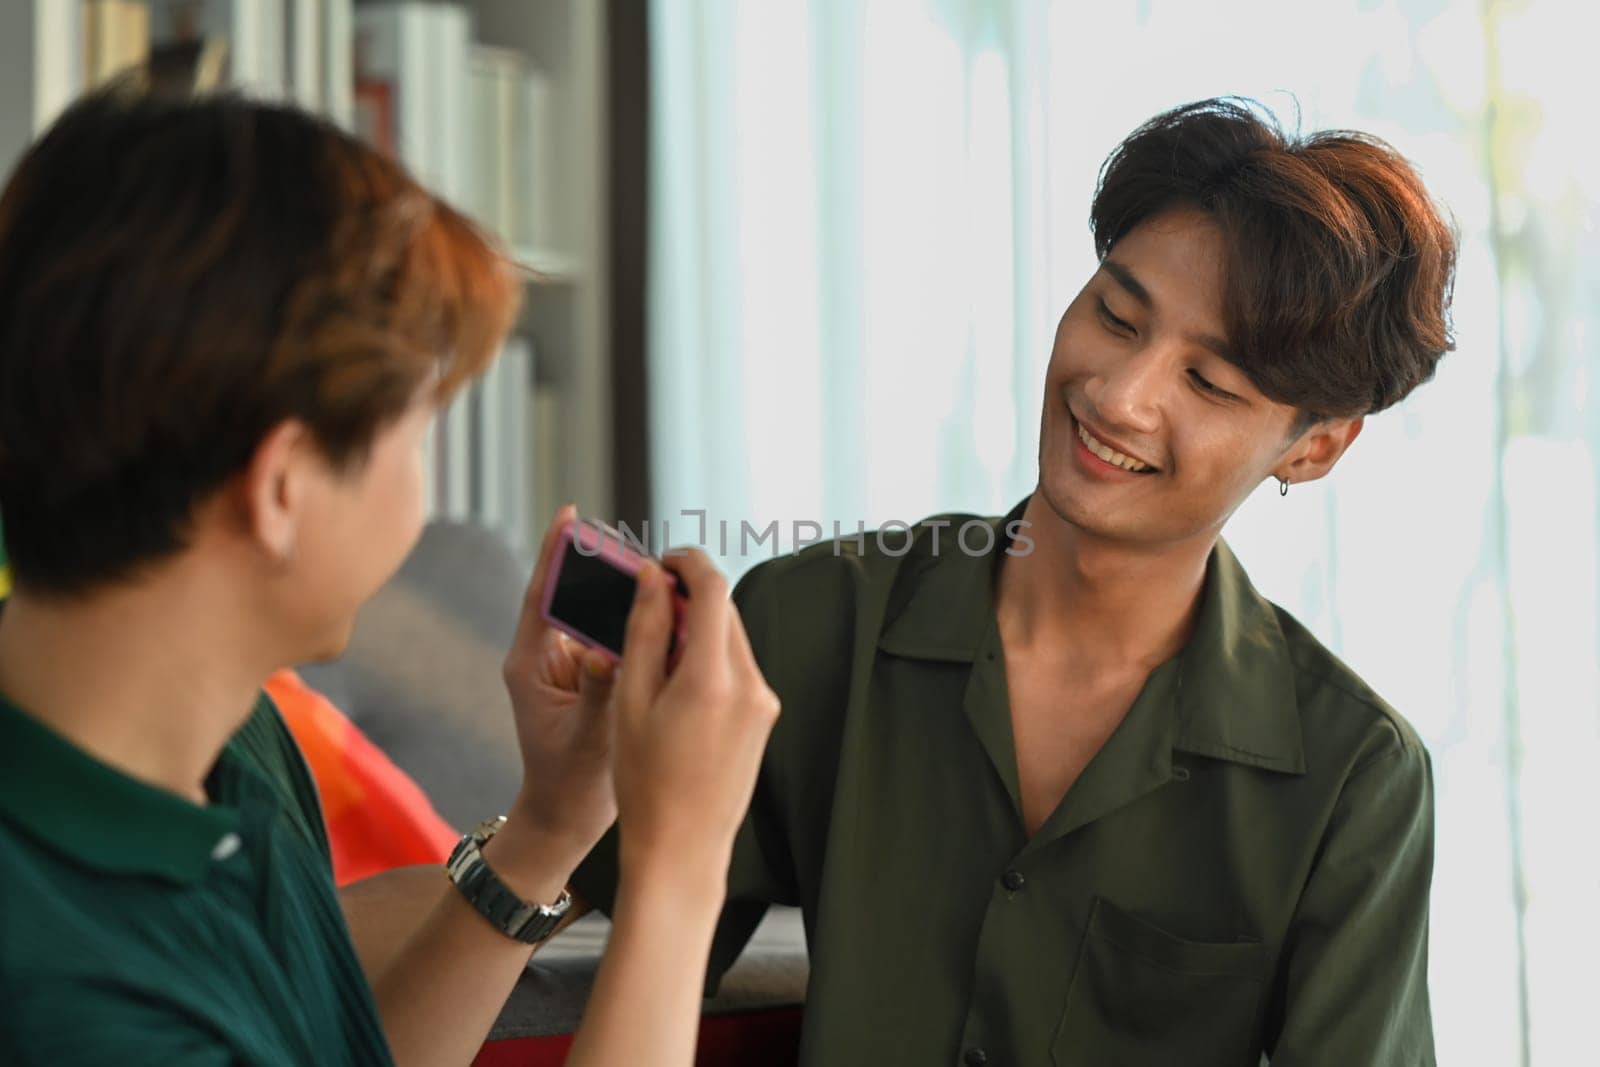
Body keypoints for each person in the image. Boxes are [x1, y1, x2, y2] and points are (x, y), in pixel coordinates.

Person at [568, 98, 1454, 1065]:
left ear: (1316, 446)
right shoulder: (810, 626)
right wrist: (569, 786)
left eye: (1208, 384)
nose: (1119, 395)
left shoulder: (1353, 778)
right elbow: (611, 960)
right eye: (1117, 315)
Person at [0, 86, 779, 1066]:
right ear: (281, 486)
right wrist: (679, 864)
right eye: (417, 434)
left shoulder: (227, 736)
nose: (424, 497)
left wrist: (552, 823)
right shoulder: (69, 994)